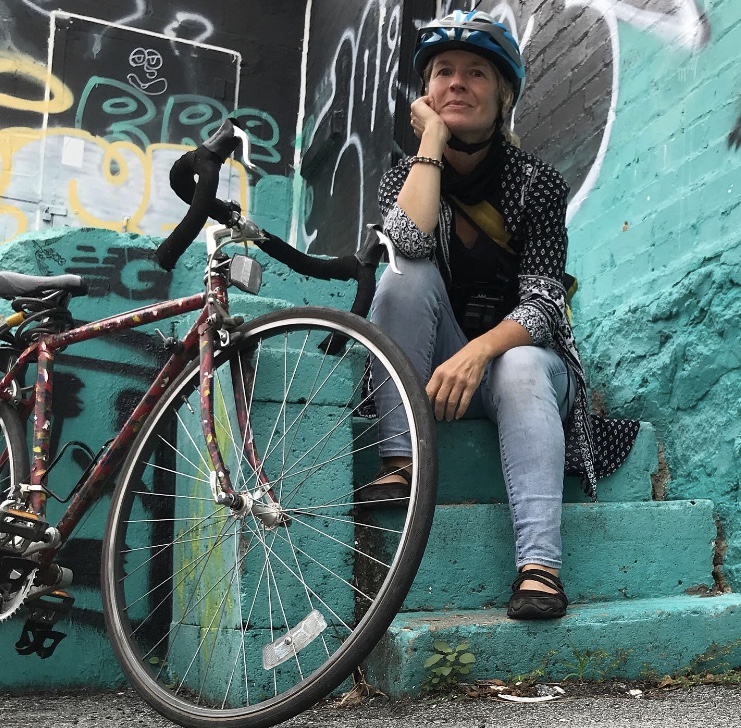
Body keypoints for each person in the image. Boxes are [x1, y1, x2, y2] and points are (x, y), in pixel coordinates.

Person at [359, 10, 640, 620]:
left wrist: (478, 351)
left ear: (503, 96)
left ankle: (540, 569)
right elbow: (406, 244)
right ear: (426, 94)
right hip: (435, 371)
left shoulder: (538, 184)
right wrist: (431, 145)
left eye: (476, 73)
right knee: (407, 276)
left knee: (519, 365)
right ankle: (400, 459)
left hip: (522, 370)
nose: (457, 83)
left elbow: (543, 303)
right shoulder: (403, 178)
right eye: (443, 72)